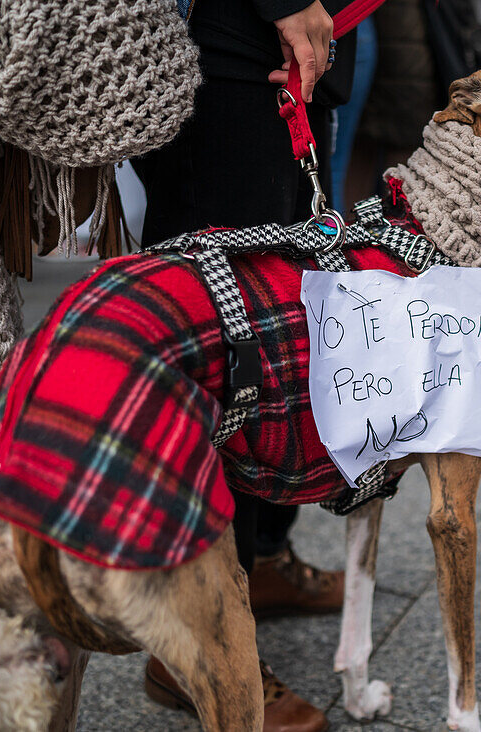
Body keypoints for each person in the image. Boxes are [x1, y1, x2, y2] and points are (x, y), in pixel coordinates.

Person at [130, 2, 357, 730]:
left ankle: (255, 564)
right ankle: (192, 639)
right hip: (235, 39)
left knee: (281, 340)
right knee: (226, 366)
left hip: (292, 47)